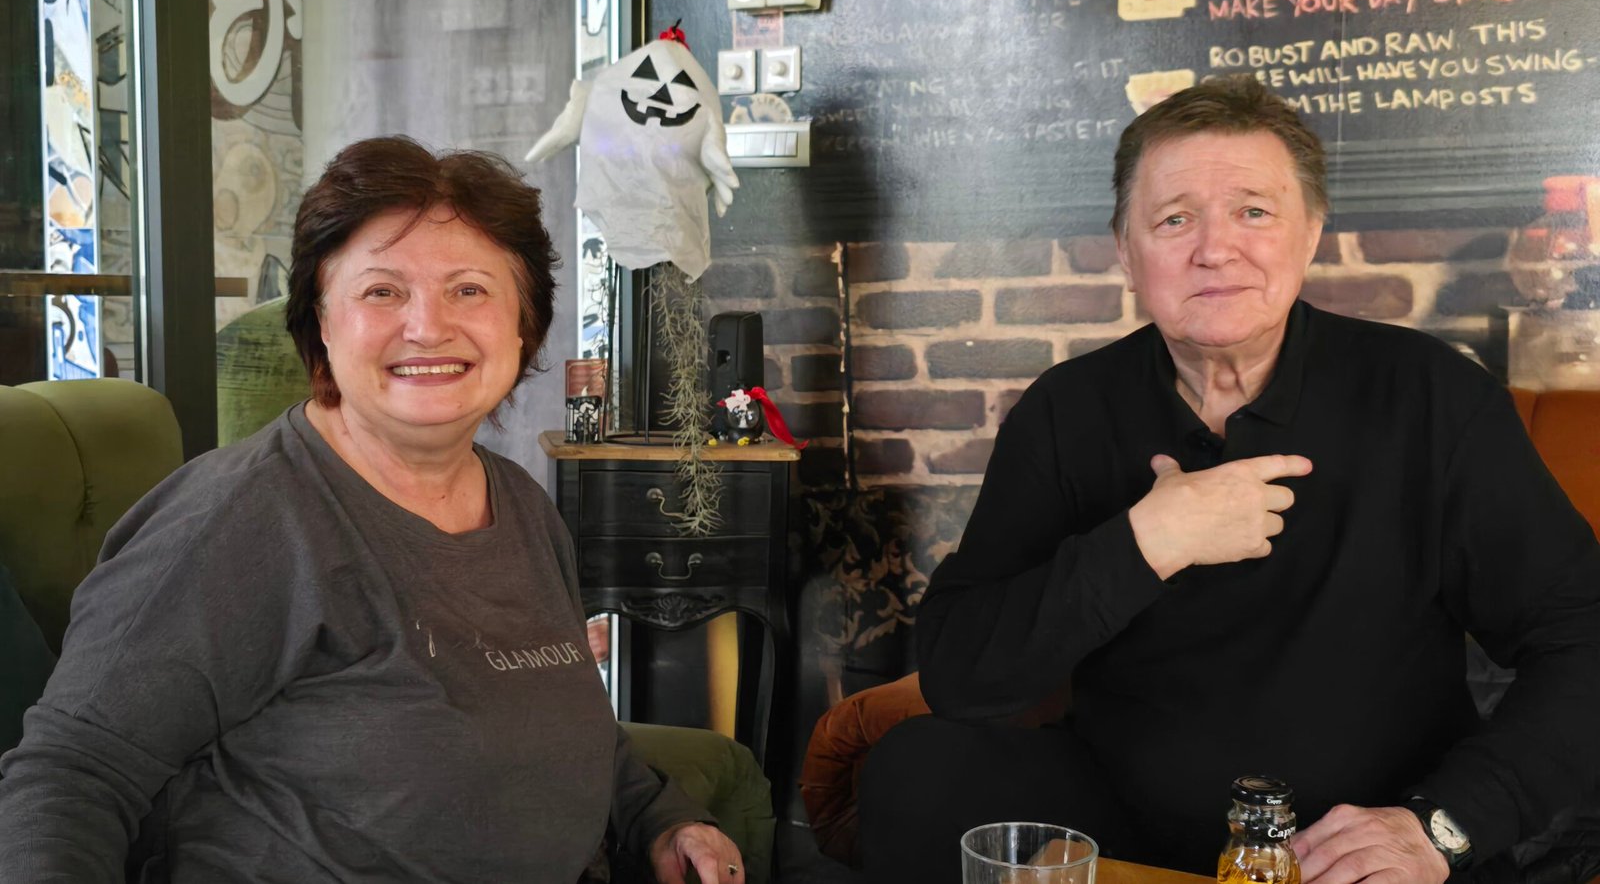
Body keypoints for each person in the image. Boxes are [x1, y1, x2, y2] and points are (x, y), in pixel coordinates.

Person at [858, 76, 1600, 883]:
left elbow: (1583, 638)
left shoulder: (1430, 395)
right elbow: (962, 672)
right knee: (917, 772)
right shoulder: (1066, 411)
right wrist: (1145, 542)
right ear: (1126, 251)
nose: (1215, 249)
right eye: (1174, 219)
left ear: (1310, 233)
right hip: (1128, 819)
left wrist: (1442, 828)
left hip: (1365, 839)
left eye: (1253, 211)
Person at [0, 136, 745, 884]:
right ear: (321, 321)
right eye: (382, 291)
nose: (428, 326)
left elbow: (557, 721)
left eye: (470, 290)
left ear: (524, 323)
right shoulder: (236, 522)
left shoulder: (520, 502)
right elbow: (70, 777)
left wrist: (661, 818)